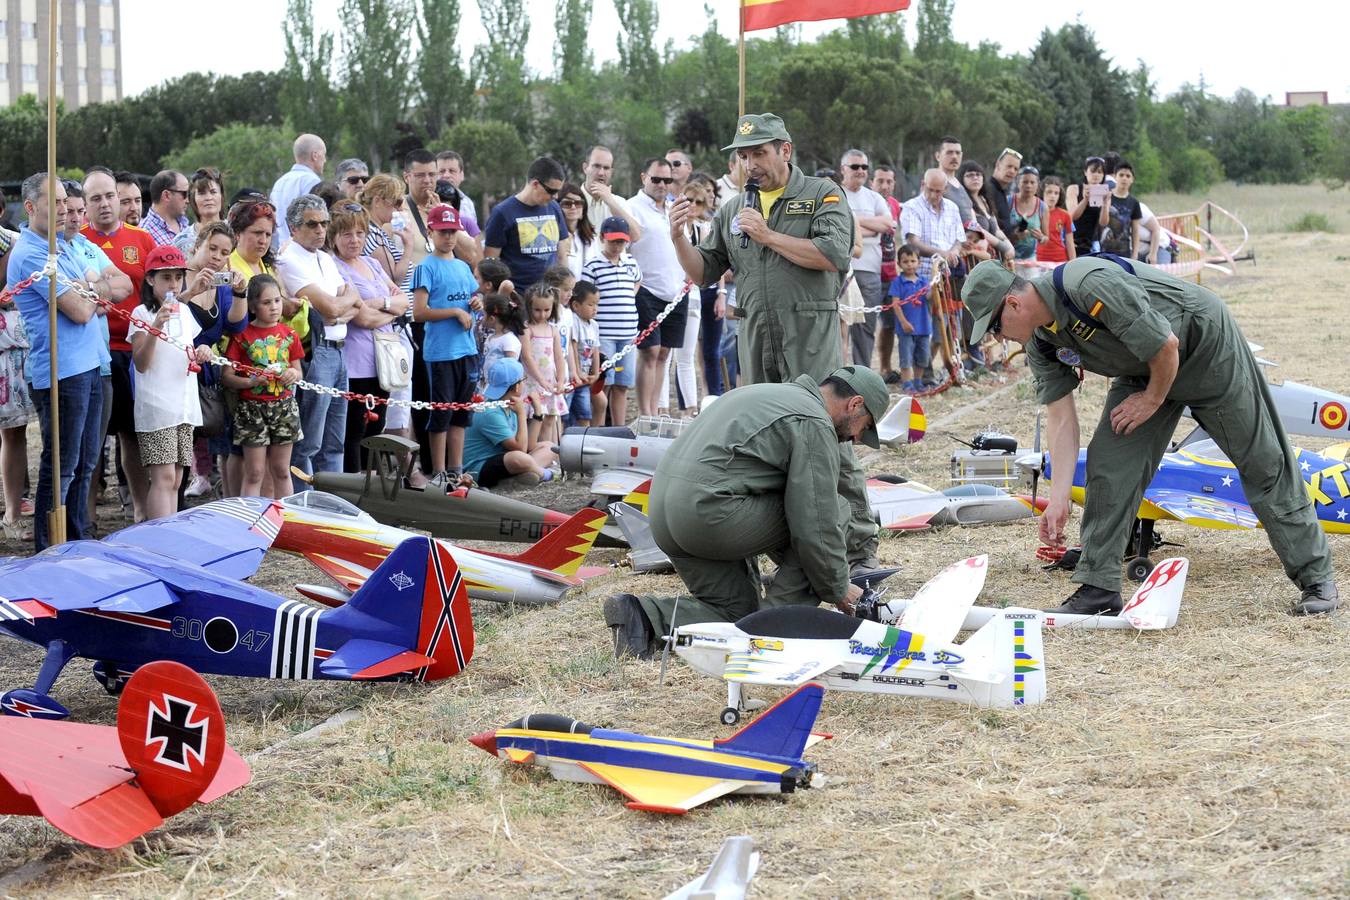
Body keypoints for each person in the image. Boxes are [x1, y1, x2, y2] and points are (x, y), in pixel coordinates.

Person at [962, 258, 1339, 616]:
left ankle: (1317, 579)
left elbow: (1166, 344)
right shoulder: (1041, 343)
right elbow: (1061, 421)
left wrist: (1152, 400)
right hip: (1144, 369)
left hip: (1205, 350)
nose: (999, 339)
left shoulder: (1088, 283)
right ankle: (1098, 587)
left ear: (1012, 304)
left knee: (1263, 463)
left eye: (995, 328)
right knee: (1110, 465)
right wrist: (1058, 500)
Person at [667, 113, 878, 573]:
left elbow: (833, 255)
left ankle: (858, 548)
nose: (750, 164)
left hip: (809, 332)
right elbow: (703, 271)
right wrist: (678, 237)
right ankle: (784, 545)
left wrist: (766, 233)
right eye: (743, 156)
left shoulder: (822, 194)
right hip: (756, 333)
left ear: (785, 149)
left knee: (828, 435)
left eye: (758, 152)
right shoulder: (732, 210)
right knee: (763, 441)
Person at [603, 365, 890, 656]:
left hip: (664, 516)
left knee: (737, 614)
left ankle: (644, 617)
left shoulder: (769, 394)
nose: (855, 439)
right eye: (864, 428)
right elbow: (816, 522)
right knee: (833, 511)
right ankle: (771, 632)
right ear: (855, 404)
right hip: (707, 514)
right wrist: (838, 587)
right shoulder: (814, 421)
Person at [9, 173, 112, 549]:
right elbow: (82, 311)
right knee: (60, 467)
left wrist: (92, 291)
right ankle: (48, 548)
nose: (63, 210)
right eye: (53, 203)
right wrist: (92, 293)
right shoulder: (32, 253)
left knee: (85, 464)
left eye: (64, 202)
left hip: (87, 364)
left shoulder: (60, 245)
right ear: (32, 207)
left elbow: (108, 286)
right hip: (60, 371)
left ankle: (77, 540)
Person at [81, 166, 157, 521]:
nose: (105, 204)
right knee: (92, 439)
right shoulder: (75, 240)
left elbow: (156, 291)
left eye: (110, 195)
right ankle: (89, 514)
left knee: (132, 433)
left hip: (133, 351)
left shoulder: (142, 240)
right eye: (95, 198)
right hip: (92, 351)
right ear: (84, 204)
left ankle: (141, 510)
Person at [276, 194, 362, 484]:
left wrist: (340, 310)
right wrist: (340, 308)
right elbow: (333, 306)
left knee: (335, 438)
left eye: (324, 223)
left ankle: (332, 502)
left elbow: (354, 301)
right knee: (310, 440)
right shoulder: (288, 259)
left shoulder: (325, 257)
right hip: (318, 351)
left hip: (339, 350)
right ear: (293, 227)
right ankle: (305, 500)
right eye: (312, 224)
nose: (320, 230)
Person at [127, 246, 213, 520]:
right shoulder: (141, 313)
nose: (173, 283)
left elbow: (191, 348)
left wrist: (204, 351)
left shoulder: (184, 312)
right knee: (163, 477)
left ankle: (169, 536)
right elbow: (141, 362)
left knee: (176, 478)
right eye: (165, 277)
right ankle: (159, 538)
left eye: (178, 277)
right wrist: (155, 326)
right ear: (150, 279)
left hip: (183, 406)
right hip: (158, 407)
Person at [329, 202, 408, 472]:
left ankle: (374, 484)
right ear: (335, 237)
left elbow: (403, 302)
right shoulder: (334, 267)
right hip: (356, 362)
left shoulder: (373, 263)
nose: (354, 240)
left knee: (377, 427)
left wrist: (375, 303)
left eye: (360, 233)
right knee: (354, 430)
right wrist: (388, 308)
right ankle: (354, 486)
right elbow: (361, 319)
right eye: (347, 234)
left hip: (383, 360)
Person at [411, 204, 479, 486]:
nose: (448, 237)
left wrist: (476, 304)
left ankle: (456, 469)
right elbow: (419, 312)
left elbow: (472, 303)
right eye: (442, 232)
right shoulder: (426, 267)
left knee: (461, 415)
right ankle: (438, 472)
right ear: (430, 232)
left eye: (452, 232)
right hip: (441, 353)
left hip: (467, 350)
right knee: (440, 413)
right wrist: (454, 312)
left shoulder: (463, 266)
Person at [222, 275, 304, 499]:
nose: (274, 307)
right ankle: (249, 521)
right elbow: (227, 376)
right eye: (267, 303)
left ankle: (284, 519)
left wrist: (291, 374)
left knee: (281, 470)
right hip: (252, 409)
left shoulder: (290, 334)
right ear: (253, 306)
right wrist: (250, 382)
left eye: (277, 301)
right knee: (255, 472)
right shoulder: (241, 336)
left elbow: (298, 371)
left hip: (284, 408)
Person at [627, 157, 687, 418]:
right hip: (647, 288)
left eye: (667, 180)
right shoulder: (632, 207)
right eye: (656, 179)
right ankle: (645, 413)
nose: (662, 184)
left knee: (664, 353)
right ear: (644, 178)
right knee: (649, 351)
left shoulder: (675, 207)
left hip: (676, 290)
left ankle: (656, 410)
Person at [582, 216, 643, 427]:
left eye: (621, 242)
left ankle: (619, 427)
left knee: (622, 385)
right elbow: (585, 294)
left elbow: (637, 281)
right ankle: (598, 427)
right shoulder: (592, 266)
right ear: (602, 238)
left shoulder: (631, 263)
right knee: (603, 384)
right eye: (613, 241)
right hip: (605, 334)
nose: (617, 246)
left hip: (628, 333)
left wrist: (627, 297)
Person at [463, 358, 558, 489]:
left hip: (504, 460)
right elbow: (521, 449)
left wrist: (537, 412)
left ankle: (522, 476)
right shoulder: (491, 412)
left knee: (550, 447)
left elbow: (530, 445)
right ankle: (547, 475)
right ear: (517, 385)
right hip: (478, 469)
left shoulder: (508, 403)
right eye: (523, 379)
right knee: (519, 458)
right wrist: (521, 414)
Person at [839, 149, 892, 367]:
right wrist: (870, 226)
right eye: (855, 166)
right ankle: (840, 378)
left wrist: (852, 220)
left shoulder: (874, 197)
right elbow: (838, 228)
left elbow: (887, 225)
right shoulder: (835, 193)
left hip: (870, 271)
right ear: (843, 169)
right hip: (841, 270)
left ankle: (862, 375)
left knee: (865, 328)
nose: (860, 171)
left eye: (864, 167)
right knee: (840, 330)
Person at [483, 156, 571, 287]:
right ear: (535, 184)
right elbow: (491, 264)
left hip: (550, 297)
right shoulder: (502, 212)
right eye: (552, 191)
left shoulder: (554, 208)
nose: (556, 197)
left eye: (558, 192)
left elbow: (562, 255)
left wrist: (566, 288)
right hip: (517, 299)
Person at [887, 245, 934, 394]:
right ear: (899, 263)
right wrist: (903, 322)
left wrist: (936, 285)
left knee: (923, 356)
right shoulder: (897, 282)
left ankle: (918, 381)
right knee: (906, 357)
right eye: (905, 261)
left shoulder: (924, 282)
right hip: (905, 328)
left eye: (913, 261)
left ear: (919, 263)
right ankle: (907, 383)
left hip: (924, 327)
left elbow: (929, 297)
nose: (909, 264)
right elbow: (895, 304)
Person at [270, 133, 327, 248]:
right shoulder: (312, 181)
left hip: (279, 249)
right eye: (324, 155)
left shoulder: (280, 182)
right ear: (315, 155)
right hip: (301, 249)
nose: (325, 160)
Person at [580, 146, 642, 244]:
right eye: (596, 166)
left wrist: (610, 202)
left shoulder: (618, 202)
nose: (601, 173)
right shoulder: (572, 201)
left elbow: (636, 236)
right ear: (585, 168)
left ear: (611, 172)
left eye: (606, 168)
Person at [565, 281, 601, 426]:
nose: (595, 309)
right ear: (576, 305)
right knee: (565, 413)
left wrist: (596, 373)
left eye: (596, 304)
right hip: (572, 378)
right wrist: (578, 372)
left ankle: (585, 441)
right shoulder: (574, 321)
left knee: (585, 413)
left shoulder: (594, 325)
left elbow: (596, 350)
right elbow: (573, 346)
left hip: (585, 380)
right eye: (590, 305)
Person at [1065, 156, 1111, 259]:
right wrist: (1085, 200)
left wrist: (1105, 203)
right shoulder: (1074, 189)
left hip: (1091, 244)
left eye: (1100, 172)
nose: (1096, 175)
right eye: (1093, 171)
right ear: (1085, 172)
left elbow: (1103, 223)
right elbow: (1072, 216)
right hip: (1073, 241)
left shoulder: (1104, 193)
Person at [173, 167, 226, 255]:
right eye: (202, 193)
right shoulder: (181, 242)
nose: (209, 198)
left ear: (221, 196)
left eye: (213, 192)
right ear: (193, 199)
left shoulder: (236, 233)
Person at [1100, 161, 1143, 259]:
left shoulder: (1134, 203)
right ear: (1115, 177)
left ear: (1132, 179)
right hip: (1104, 251)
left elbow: (1136, 230)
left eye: (1128, 176)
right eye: (1121, 175)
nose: (1124, 178)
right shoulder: (1106, 196)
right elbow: (1101, 223)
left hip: (1124, 252)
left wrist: (1135, 253)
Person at [141, 170, 191, 247]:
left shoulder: (185, 225)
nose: (188, 200)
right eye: (184, 194)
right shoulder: (143, 234)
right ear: (167, 195)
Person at [558, 183, 596, 279]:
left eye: (578, 203)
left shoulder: (591, 237)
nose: (573, 207)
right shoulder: (553, 236)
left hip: (587, 290)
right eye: (567, 204)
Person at [1008, 166, 1047, 261]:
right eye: (1025, 182)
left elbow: (1046, 238)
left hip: (1030, 259)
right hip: (1008, 257)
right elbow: (997, 231)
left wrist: (1041, 237)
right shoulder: (1008, 202)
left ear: (1038, 185)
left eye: (1032, 182)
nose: (1028, 186)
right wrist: (1015, 236)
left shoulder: (1042, 206)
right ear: (1018, 183)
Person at [1036, 177, 1076, 264]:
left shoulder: (1065, 215)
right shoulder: (1034, 212)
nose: (1053, 196)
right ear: (1042, 193)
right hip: (1037, 260)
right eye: (1049, 192)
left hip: (1060, 261)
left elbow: (1070, 243)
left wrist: (1073, 264)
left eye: (1056, 193)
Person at [435, 150, 478, 224]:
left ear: (462, 175)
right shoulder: (425, 202)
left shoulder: (468, 203)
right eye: (442, 171)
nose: (446, 175)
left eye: (452, 171)